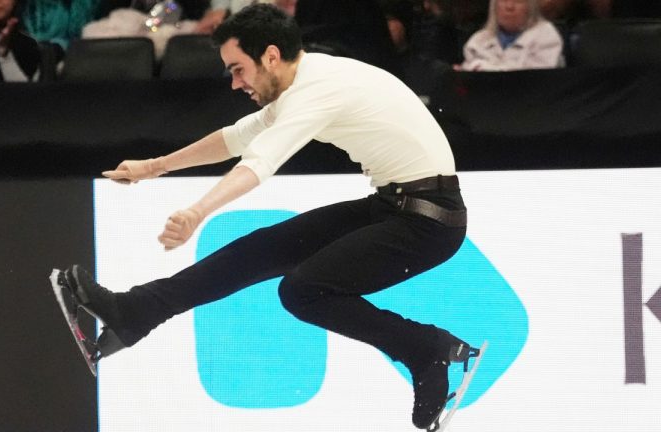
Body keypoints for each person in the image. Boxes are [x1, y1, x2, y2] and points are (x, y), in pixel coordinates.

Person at [59, 4, 478, 430]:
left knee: (303, 290)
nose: (236, 83)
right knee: (259, 250)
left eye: (239, 69)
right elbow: (237, 138)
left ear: (272, 56)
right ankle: (136, 312)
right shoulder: (307, 77)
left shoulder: (315, 90)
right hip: (395, 205)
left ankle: (427, 349)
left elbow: (259, 162)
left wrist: (196, 211)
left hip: (430, 223)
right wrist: (154, 166)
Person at [457, 0, 564, 71]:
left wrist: (485, 67)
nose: (509, 6)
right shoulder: (478, 40)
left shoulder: (546, 34)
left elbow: (537, 79)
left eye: (518, 1)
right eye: (503, 0)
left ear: (531, 7)